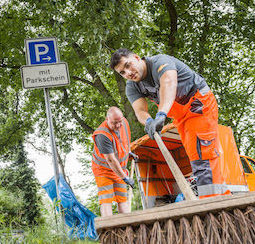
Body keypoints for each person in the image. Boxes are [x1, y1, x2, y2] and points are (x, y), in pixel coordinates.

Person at [110, 48, 230, 199]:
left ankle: (211, 206)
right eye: (122, 72)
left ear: (136, 57)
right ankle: (225, 199)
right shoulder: (132, 86)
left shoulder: (160, 62)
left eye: (128, 65)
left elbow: (168, 83)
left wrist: (161, 114)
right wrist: (149, 122)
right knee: (198, 156)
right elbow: (140, 111)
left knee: (201, 158)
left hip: (199, 105)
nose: (128, 73)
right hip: (180, 118)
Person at [92, 106, 135, 216]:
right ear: (107, 119)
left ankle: (126, 229)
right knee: (106, 200)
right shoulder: (102, 135)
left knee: (122, 199)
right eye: (114, 123)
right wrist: (125, 178)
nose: (118, 125)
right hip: (104, 171)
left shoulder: (124, 123)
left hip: (119, 169)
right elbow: (111, 160)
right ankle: (108, 230)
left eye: (119, 122)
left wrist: (128, 152)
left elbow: (124, 140)